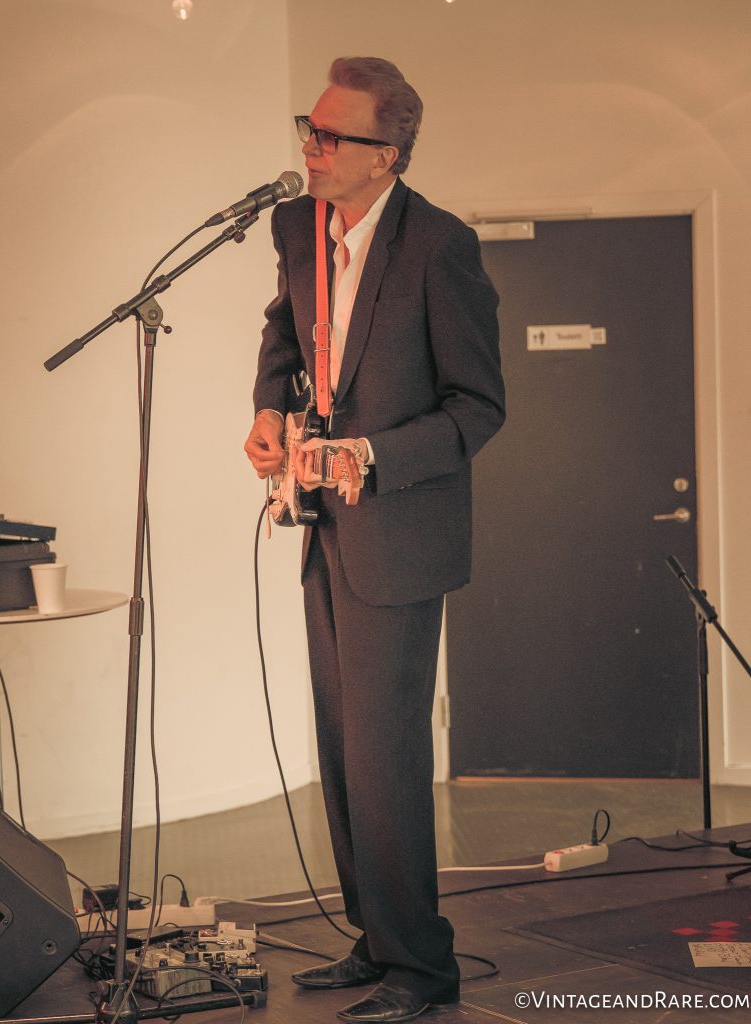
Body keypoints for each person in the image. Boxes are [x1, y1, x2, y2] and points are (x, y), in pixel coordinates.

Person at [244, 56, 505, 1023]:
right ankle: (375, 936)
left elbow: (478, 409)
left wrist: (372, 455)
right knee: (342, 745)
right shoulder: (295, 226)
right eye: (305, 129)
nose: (309, 149)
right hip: (318, 523)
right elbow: (285, 329)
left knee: (387, 750)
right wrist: (271, 409)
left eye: (329, 136)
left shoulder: (442, 248)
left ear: (383, 157)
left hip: (398, 528)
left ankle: (420, 968)